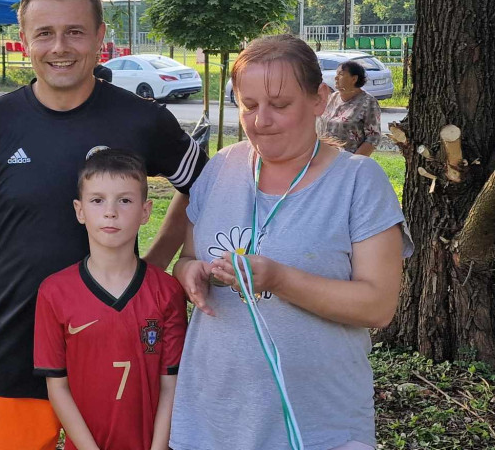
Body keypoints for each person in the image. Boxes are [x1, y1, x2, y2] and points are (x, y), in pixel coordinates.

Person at [0, 0, 206, 450]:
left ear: (99, 37)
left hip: (118, 353)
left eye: (74, 31)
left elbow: (205, 186)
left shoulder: (142, 119)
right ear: (24, 40)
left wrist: (155, 266)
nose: (60, 47)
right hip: (15, 347)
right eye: (45, 33)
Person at [170, 35, 411, 450]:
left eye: (279, 105)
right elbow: (189, 256)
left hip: (318, 426)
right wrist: (189, 272)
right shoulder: (221, 169)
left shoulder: (357, 182)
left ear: (319, 98)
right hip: (212, 419)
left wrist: (279, 279)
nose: (261, 120)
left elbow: (378, 306)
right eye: (248, 105)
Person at [34, 149, 186, 450]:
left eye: (125, 200)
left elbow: (171, 386)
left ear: (146, 211)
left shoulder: (167, 292)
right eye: (97, 200)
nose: (110, 212)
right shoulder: (54, 292)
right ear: (80, 211)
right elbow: (57, 387)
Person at [317, 60, 382, 155]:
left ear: (354, 79)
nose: (336, 77)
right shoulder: (332, 98)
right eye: (336, 74)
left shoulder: (368, 102)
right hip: (324, 158)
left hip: (348, 161)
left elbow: (373, 138)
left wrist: (353, 162)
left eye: (341, 74)